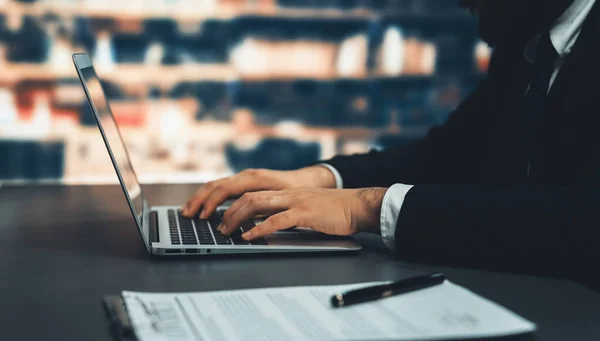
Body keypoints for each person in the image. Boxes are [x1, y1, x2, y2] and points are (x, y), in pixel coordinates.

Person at [183, 0, 600, 289]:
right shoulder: (528, 41)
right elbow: (445, 155)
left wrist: (364, 206)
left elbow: (582, 225)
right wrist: (317, 179)